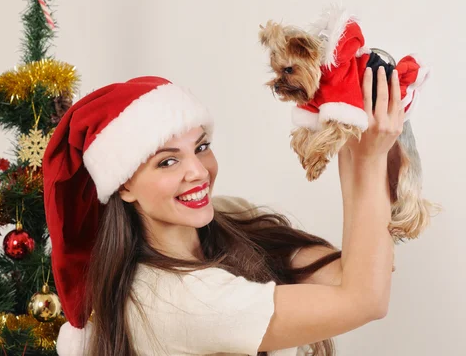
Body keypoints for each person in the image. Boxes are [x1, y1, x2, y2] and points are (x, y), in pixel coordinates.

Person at [43, 68, 402, 355]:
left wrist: (351, 133)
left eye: (200, 147)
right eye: (167, 161)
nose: (198, 171)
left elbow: (362, 271)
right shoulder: (177, 301)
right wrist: (369, 159)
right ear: (124, 185)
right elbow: (365, 299)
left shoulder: (229, 219)